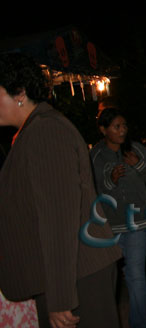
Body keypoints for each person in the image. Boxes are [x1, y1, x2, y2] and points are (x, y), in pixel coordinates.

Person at [0, 53, 121, 328]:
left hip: (78, 276)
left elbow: (58, 219)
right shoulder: (33, 131)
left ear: (19, 93)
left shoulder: (45, 131)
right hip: (70, 274)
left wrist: (60, 298)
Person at [91, 108, 146, 328]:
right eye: (116, 126)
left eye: (124, 126)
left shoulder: (135, 149)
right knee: (131, 274)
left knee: (135, 274)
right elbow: (92, 188)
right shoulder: (95, 156)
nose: (122, 130)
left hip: (138, 221)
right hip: (112, 226)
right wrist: (111, 180)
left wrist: (138, 165)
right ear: (103, 129)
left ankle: (138, 323)